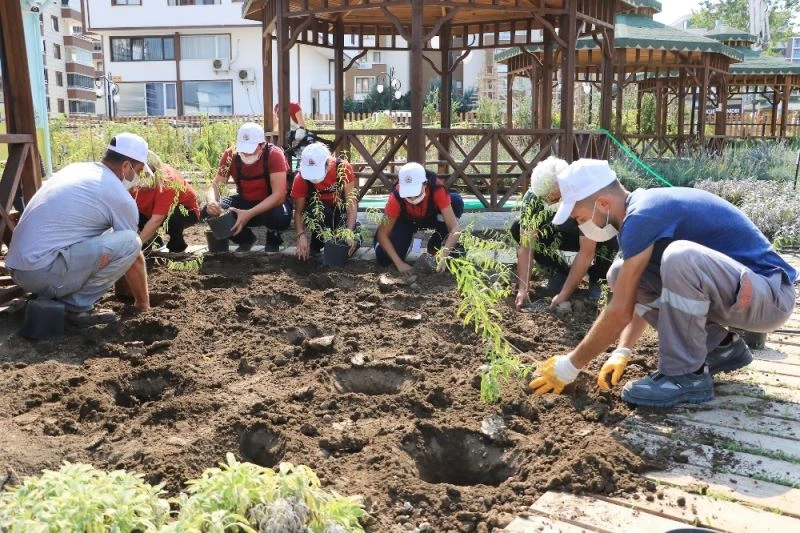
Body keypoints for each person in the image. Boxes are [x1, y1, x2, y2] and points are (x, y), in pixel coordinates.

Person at [529, 158, 798, 408]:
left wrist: (570, 365)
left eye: (580, 218)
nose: (581, 226)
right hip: (743, 294)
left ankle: (685, 376)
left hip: (770, 297)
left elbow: (620, 309)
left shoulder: (643, 216)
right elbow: (632, 294)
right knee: (619, 273)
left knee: (681, 257)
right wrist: (622, 350)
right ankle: (720, 347)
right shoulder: (639, 214)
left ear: (602, 204)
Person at [5, 133, 152, 325]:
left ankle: (53, 295)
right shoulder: (117, 195)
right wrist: (143, 304)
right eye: (139, 171)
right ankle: (75, 306)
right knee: (131, 242)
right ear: (125, 166)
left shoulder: (77, 169)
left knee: (109, 234)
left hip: (18, 269)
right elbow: (134, 257)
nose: (138, 178)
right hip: (40, 271)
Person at [512, 156, 617, 311]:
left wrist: (564, 294)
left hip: (595, 233)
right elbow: (527, 246)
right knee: (518, 228)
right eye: (545, 198)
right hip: (563, 229)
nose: (549, 201)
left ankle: (597, 279)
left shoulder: (584, 195)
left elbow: (587, 251)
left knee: (608, 232)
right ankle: (560, 271)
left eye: (552, 196)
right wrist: (523, 288)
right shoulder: (533, 196)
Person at [202, 122, 292, 252]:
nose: (246, 154)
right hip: (244, 201)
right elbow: (216, 186)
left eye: (250, 150)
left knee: (278, 216)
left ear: (262, 145)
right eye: (243, 149)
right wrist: (212, 202)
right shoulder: (230, 155)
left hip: (270, 204)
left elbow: (279, 195)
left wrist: (249, 214)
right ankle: (245, 239)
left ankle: (273, 238)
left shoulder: (274, 155)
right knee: (207, 211)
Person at [374, 162, 463, 276]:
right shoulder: (396, 197)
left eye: (415, 192)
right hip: (406, 221)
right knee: (384, 259)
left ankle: (437, 240)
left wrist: (444, 254)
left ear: (425, 184)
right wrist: (399, 263)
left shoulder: (437, 188)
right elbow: (383, 234)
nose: (412, 198)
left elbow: (455, 228)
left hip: (433, 217)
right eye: (408, 194)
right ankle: (403, 241)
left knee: (456, 201)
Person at [291, 143, 360, 260]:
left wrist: (348, 231)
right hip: (319, 214)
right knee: (314, 211)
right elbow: (298, 212)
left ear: (328, 164)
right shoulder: (300, 178)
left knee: (350, 245)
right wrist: (300, 235)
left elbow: (351, 204)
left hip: (339, 214)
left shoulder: (343, 168)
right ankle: (319, 241)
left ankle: (326, 241)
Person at [131, 151, 200, 253]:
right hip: (150, 211)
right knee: (133, 214)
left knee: (173, 217)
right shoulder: (129, 177)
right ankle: (154, 243)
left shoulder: (167, 182)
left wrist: (133, 248)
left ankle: (177, 247)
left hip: (185, 210)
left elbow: (157, 219)